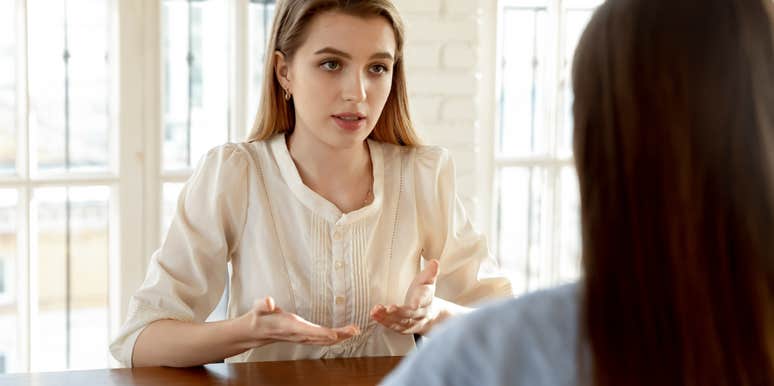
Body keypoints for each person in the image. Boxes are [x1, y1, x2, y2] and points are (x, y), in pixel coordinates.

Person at [382, 0, 774, 385]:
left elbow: (483, 300)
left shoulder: (486, 356)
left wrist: (438, 315)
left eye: (378, 68)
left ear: (591, 143)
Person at [109, 0, 512, 368]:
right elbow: (140, 341)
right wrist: (247, 331)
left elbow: (505, 324)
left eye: (377, 68)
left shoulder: (423, 175)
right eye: (332, 64)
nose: (358, 93)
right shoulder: (235, 174)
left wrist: (433, 314)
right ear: (284, 72)